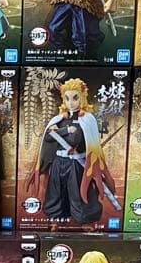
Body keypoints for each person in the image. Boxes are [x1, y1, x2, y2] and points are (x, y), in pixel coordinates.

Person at [28, 78, 115, 226]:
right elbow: (48, 137)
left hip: (76, 163)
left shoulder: (87, 119)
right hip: (58, 162)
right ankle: (56, 216)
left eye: (75, 98)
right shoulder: (59, 119)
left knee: (78, 192)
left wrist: (59, 131)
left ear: (82, 97)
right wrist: (66, 130)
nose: (71, 103)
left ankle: (84, 219)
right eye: (67, 98)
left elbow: (75, 139)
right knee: (55, 191)